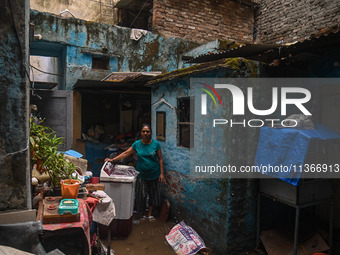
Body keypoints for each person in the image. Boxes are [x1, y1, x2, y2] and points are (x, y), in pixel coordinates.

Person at [105, 124, 165, 221]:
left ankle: (149, 214)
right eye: (143, 131)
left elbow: (160, 159)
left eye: (147, 131)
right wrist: (113, 160)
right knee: (140, 195)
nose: (145, 133)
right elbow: (125, 153)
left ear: (151, 133)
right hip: (141, 174)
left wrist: (162, 174)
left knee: (153, 195)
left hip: (154, 174)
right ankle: (142, 215)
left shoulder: (156, 144)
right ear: (141, 133)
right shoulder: (137, 144)